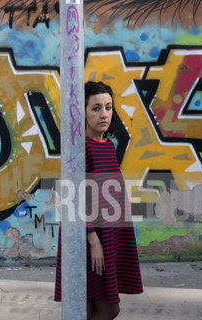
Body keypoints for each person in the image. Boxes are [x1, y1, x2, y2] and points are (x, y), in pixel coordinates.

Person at [54, 81, 143, 319]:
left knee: (90, 310)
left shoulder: (108, 146)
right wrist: (93, 241)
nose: (104, 114)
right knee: (109, 309)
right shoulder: (81, 149)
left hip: (109, 236)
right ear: (82, 112)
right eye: (95, 108)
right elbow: (71, 200)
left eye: (108, 107)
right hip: (89, 240)